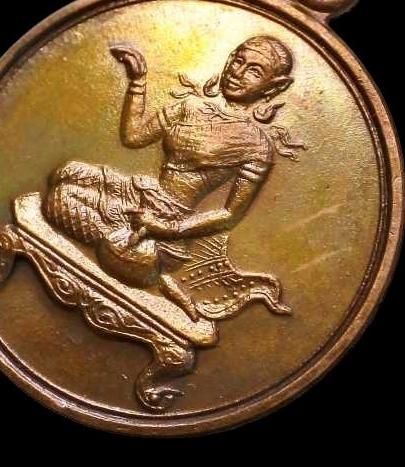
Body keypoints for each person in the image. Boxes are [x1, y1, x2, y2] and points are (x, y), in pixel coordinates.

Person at [44, 35, 304, 319]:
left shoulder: (257, 146)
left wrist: (166, 229)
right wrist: (138, 82)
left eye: (254, 70)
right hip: (140, 191)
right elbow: (133, 137)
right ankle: (134, 255)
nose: (238, 73)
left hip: (169, 219)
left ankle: (150, 270)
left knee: (60, 199)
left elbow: (230, 215)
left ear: (274, 87)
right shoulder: (191, 106)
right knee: (67, 172)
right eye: (238, 61)